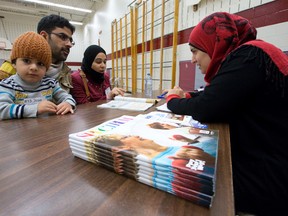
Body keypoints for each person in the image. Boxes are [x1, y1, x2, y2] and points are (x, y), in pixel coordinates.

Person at [165, 12, 288, 215]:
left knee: (194, 185)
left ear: (214, 43)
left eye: (195, 51)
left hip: (269, 178)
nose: (193, 59)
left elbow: (206, 108)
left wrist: (172, 101)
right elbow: (218, 95)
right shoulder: (248, 55)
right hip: (268, 158)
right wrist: (188, 95)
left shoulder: (246, 58)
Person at [0, 31, 76, 120]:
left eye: (40, 64)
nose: (34, 67)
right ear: (13, 63)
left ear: (46, 69)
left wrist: (68, 103)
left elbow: (67, 97)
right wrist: (34, 109)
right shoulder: (7, 85)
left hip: (48, 129)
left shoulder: (50, 83)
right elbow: (1, 109)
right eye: (26, 61)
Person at [0, 14, 75, 93]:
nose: (69, 44)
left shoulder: (66, 71)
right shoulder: (10, 68)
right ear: (44, 36)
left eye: (70, 40)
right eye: (63, 37)